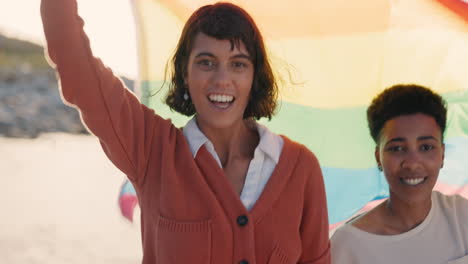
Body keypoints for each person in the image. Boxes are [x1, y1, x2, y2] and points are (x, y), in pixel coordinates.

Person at [40, 0, 330, 263]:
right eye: (206, 63)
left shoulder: (300, 169)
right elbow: (76, 66)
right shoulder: (151, 150)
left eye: (238, 64)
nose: (222, 79)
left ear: (255, 77)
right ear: (184, 73)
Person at [331, 84, 468, 264]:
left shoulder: (461, 217)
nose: (412, 163)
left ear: (442, 154)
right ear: (378, 157)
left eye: (426, 147)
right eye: (397, 148)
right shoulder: (347, 247)